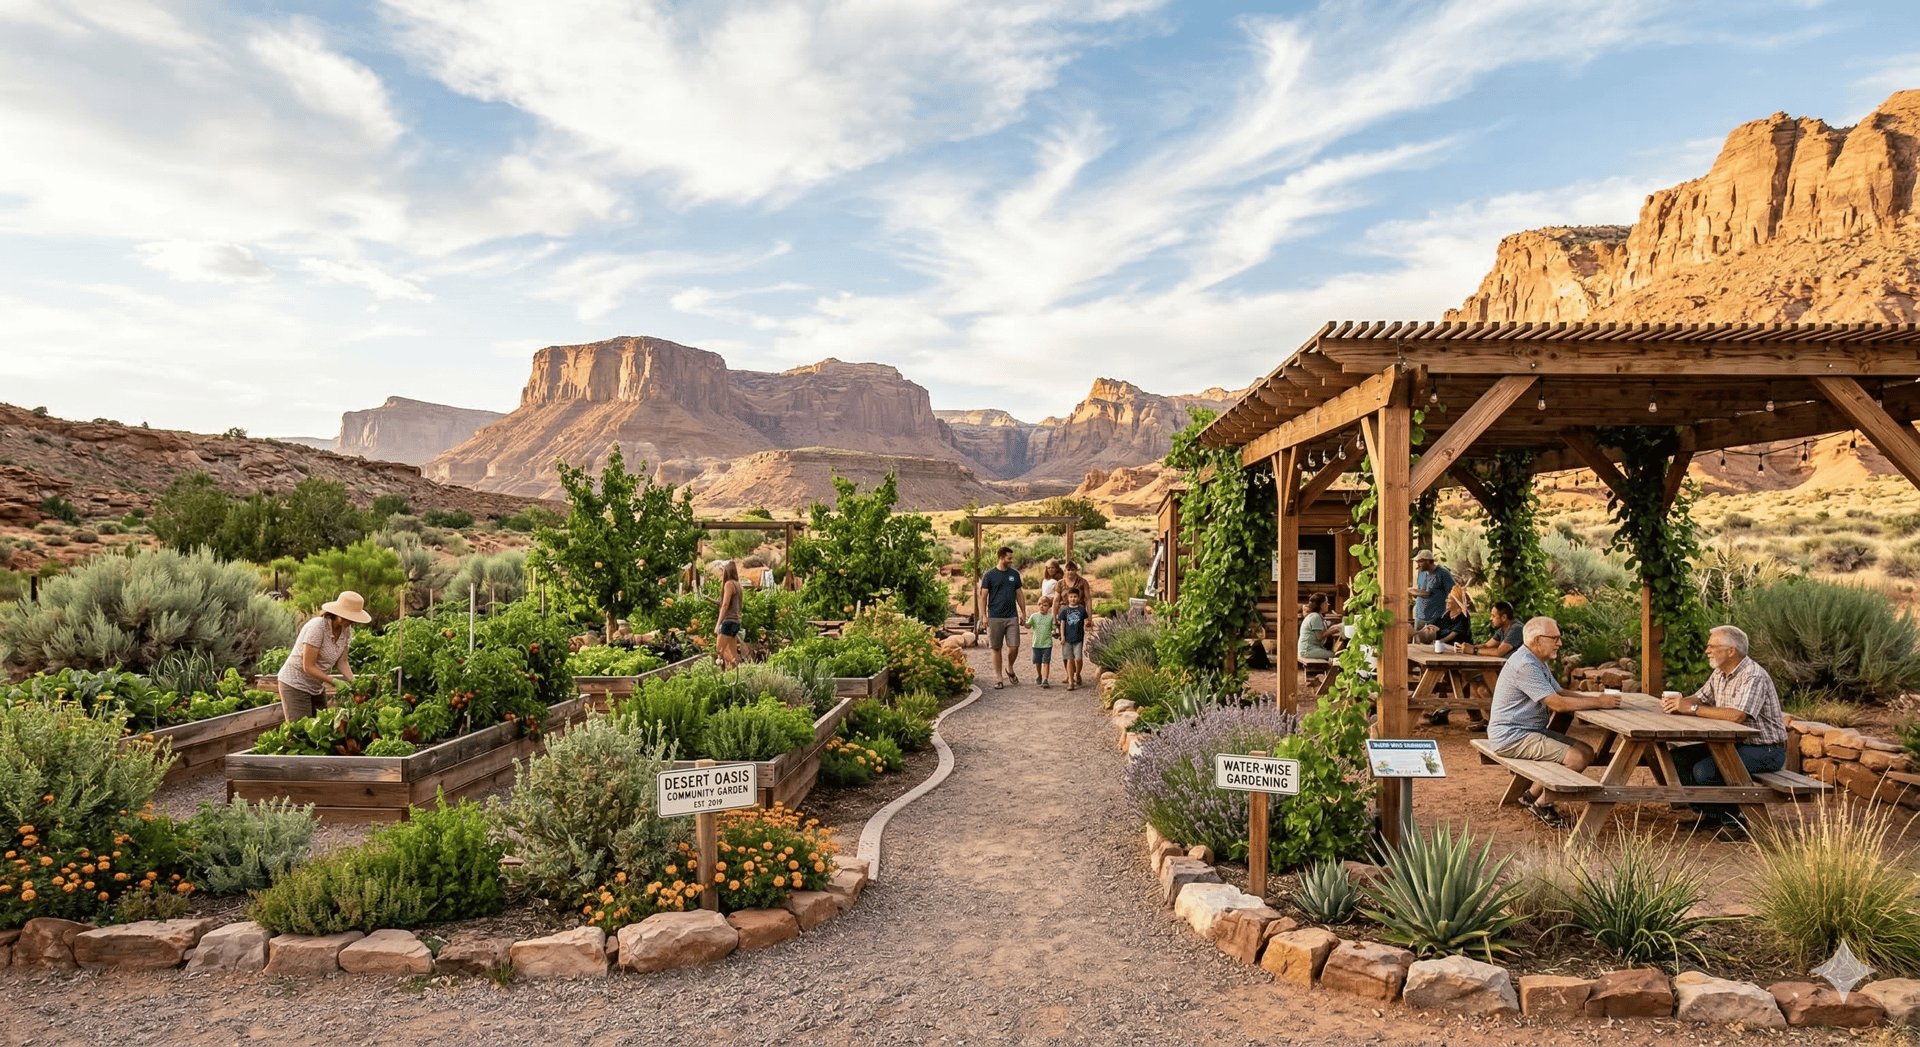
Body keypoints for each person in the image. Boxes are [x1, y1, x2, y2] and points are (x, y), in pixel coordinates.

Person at [1487, 616, 1621, 828]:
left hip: (1526, 731)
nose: (1560, 643)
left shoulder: (1536, 660)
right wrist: (1599, 702)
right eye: (1554, 638)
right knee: (1576, 758)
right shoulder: (1525, 665)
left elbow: (1559, 691)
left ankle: (1530, 796)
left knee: (1586, 752)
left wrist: (1597, 700)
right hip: (1512, 736)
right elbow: (1557, 704)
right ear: (1537, 639)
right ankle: (1544, 804)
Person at [1661, 624, 1787, 838]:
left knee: (1705, 770)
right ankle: (1712, 815)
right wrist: (1679, 703)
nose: (1706, 651)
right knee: (1676, 758)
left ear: (1731, 651)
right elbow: (1700, 698)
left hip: (1766, 750)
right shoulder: (1720, 673)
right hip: (1732, 744)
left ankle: (1734, 822)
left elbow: (1737, 715)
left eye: (1712, 646)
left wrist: (1691, 709)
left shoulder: (1753, 676)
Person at [276, 591, 371, 721]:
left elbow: (342, 662)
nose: (353, 621)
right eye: (352, 617)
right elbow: (308, 666)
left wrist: (353, 682)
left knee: (322, 726)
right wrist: (334, 681)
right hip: (295, 684)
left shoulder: (346, 630)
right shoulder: (317, 628)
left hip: (316, 686)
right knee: (300, 732)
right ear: (340, 615)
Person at [979, 546, 1026, 689]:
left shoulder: (1014, 574)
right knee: (996, 648)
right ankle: (998, 678)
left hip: (1012, 616)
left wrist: (1024, 612)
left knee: (1014, 647)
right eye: (1009, 558)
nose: (1011, 561)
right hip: (994, 617)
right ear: (1001, 557)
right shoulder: (989, 575)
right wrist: (984, 616)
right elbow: (982, 597)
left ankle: (1010, 667)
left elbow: (1019, 594)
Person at [1407, 550, 1453, 634]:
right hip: (1420, 616)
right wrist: (1412, 592)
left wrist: (1409, 590)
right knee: (1418, 644)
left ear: (1428, 561)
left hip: (1436, 617)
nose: (1418, 565)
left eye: (1420, 561)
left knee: (1434, 644)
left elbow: (1452, 592)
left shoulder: (1443, 573)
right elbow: (1420, 590)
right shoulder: (1421, 573)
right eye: (1417, 562)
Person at [713, 560, 743, 670]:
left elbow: (725, 605)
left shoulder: (729, 584)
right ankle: (735, 674)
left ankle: (733, 667)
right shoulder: (737, 584)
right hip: (736, 622)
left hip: (728, 622)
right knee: (732, 651)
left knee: (719, 650)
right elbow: (729, 603)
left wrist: (718, 623)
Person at [1057, 587, 1089, 690]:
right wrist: (1062, 636)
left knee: (1078, 659)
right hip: (1067, 639)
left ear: (1078, 598)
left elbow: (1086, 621)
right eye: (1071, 597)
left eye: (1075, 597)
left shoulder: (1081, 609)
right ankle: (1071, 681)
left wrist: (1088, 623)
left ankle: (1078, 674)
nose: (1073, 599)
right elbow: (1062, 624)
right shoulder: (1064, 610)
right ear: (1067, 598)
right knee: (1070, 660)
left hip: (1078, 638)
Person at [1297, 593, 1341, 660]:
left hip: (1309, 649)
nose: (1328, 605)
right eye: (1326, 603)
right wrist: (1332, 630)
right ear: (1320, 604)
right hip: (1308, 650)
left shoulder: (1316, 616)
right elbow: (1320, 636)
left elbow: (1322, 632)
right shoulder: (1315, 617)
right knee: (1336, 655)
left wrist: (1334, 627)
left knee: (1334, 653)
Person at [1027, 595, 1057, 689]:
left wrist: (1055, 632)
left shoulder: (1050, 617)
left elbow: (1054, 628)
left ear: (1049, 607)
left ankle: (1045, 679)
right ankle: (1039, 675)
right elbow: (1028, 626)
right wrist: (1023, 622)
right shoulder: (1034, 616)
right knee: (1037, 662)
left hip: (1047, 644)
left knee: (1046, 662)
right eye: (1040, 604)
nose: (1042, 607)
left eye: (1045, 605)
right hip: (1036, 643)